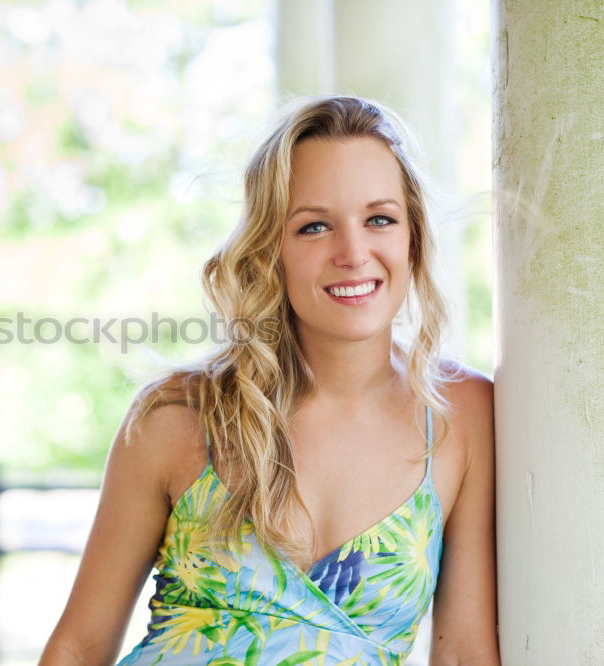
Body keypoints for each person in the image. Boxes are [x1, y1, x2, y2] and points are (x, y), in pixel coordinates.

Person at [40, 95, 499, 665]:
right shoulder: (175, 417)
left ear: (413, 237)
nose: (353, 253)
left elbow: (465, 654)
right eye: (313, 227)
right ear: (269, 250)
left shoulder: (463, 411)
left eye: (379, 219)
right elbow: (80, 647)